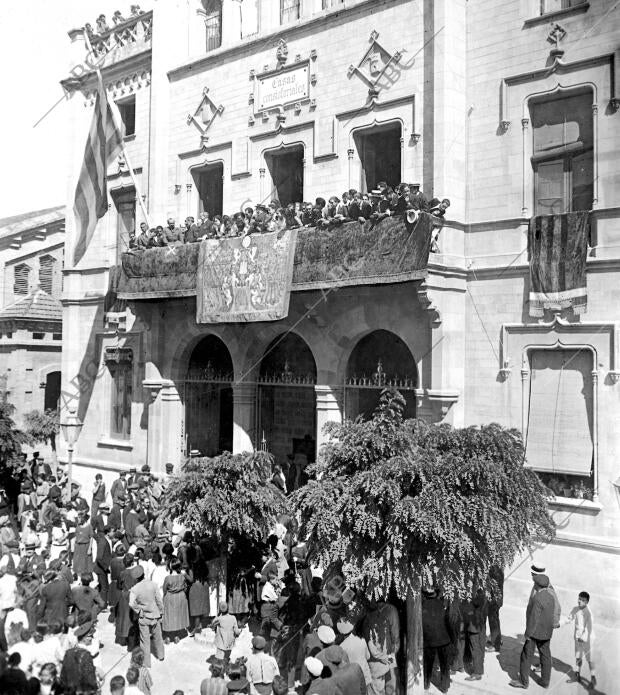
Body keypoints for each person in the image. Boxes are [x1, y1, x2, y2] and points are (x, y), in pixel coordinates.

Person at [509, 573, 555, 689]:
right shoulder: (551, 597)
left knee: (526, 656)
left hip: (534, 633)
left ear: (537, 585)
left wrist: (527, 634)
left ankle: (524, 682)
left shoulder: (537, 599)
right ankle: (545, 681)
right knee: (545, 656)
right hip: (547, 633)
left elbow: (534, 618)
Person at [128, 565, 165, 667]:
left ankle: (146, 662)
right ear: (143, 574)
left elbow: (131, 603)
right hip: (155, 615)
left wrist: (139, 611)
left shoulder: (134, 589)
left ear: (135, 578)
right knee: (158, 637)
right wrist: (161, 612)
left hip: (144, 617)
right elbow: (159, 600)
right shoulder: (153, 585)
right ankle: (161, 656)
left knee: (145, 641)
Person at [422, 586, 452, 693]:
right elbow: (449, 621)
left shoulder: (421, 606)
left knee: (428, 664)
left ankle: (426, 684)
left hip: (429, 640)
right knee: (444, 665)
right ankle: (445, 687)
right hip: (444, 639)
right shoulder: (442, 604)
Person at [562, 590, 596, 687]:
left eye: (582, 600)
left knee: (589, 659)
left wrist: (583, 637)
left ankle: (593, 678)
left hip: (587, 640)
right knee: (578, 657)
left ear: (587, 602)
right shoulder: (575, 609)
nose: (579, 601)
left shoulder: (589, 613)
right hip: (577, 639)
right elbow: (569, 618)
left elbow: (589, 627)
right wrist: (559, 624)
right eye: (579, 599)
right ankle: (577, 675)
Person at [59, 620, 99, 694]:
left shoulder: (68, 652)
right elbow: (90, 678)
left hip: (69, 690)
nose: (91, 638)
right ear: (84, 638)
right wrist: (95, 689)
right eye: (90, 636)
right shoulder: (86, 655)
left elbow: (63, 675)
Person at [337, 618, 372, 692]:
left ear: (340, 632)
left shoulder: (342, 647)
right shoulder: (362, 639)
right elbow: (368, 657)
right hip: (366, 677)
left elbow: (342, 667)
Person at [162, 558, 189, 642]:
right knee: (178, 615)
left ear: (171, 566)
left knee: (168, 616)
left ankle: (168, 637)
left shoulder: (168, 578)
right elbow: (185, 587)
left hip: (170, 597)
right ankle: (177, 636)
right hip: (180, 597)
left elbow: (164, 589)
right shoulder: (182, 576)